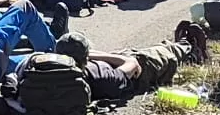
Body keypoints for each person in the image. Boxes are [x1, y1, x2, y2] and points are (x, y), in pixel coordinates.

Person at [55, 22, 209, 104]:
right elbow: (132, 63)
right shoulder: (105, 80)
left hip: (110, 61)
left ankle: (180, 46)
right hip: (139, 73)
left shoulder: (51, 71)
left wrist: (97, 56)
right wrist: (104, 56)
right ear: (84, 58)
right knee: (162, 55)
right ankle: (189, 48)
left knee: (142, 51)